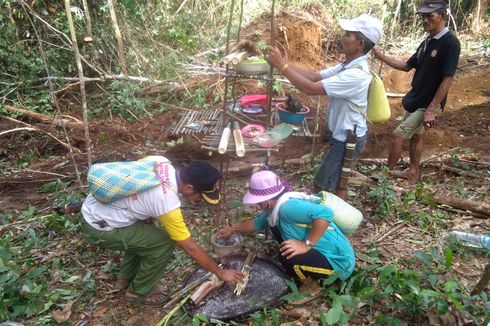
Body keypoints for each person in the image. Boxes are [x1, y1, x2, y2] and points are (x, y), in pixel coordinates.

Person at [80, 156, 243, 305]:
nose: (198, 200)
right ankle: (136, 292)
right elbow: (190, 248)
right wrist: (221, 272)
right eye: (199, 196)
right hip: (100, 228)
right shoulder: (166, 201)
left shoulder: (161, 162)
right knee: (163, 243)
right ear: (189, 187)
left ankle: (125, 278)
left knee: (147, 235)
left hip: (95, 209)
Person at [267, 14, 383, 199]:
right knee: (337, 182)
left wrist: (282, 66)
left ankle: (327, 219)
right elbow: (313, 76)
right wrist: (284, 63)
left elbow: (311, 88)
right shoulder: (348, 66)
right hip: (344, 136)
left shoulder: (356, 75)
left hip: (348, 140)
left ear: (360, 43)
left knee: (322, 185)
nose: (342, 37)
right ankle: (332, 216)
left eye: (348, 35)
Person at [373, 0, 460, 183]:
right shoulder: (427, 42)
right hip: (416, 98)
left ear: (442, 16)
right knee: (415, 136)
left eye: (430, 16)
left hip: (428, 103)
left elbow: (448, 78)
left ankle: (385, 177)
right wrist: (380, 55)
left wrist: (432, 109)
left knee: (397, 136)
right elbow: (406, 66)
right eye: (423, 17)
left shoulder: (450, 43)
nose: (425, 20)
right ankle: (413, 172)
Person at [217, 170, 355, 283]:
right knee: (285, 252)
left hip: (339, 265)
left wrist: (306, 245)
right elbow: (258, 223)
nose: (256, 204)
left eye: (258, 201)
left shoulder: (287, 208)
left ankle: (310, 285)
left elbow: (325, 213)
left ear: (266, 201)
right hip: (326, 253)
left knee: (289, 257)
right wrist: (232, 229)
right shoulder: (275, 209)